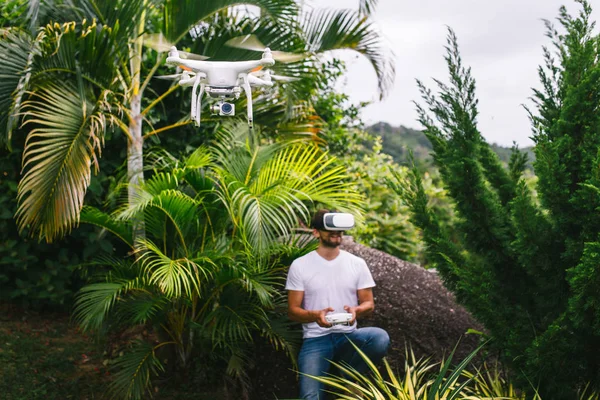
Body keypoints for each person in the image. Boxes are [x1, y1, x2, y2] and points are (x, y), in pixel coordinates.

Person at [285, 209, 390, 400]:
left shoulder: (356, 264)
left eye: (339, 230)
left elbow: (369, 304)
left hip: (349, 336)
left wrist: (356, 311)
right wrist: (315, 316)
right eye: (329, 230)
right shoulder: (300, 265)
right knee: (309, 397)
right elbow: (293, 311)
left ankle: (349, 375)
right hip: (315, 340)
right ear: (316, 232)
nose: (336, 234)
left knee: (379, 338)